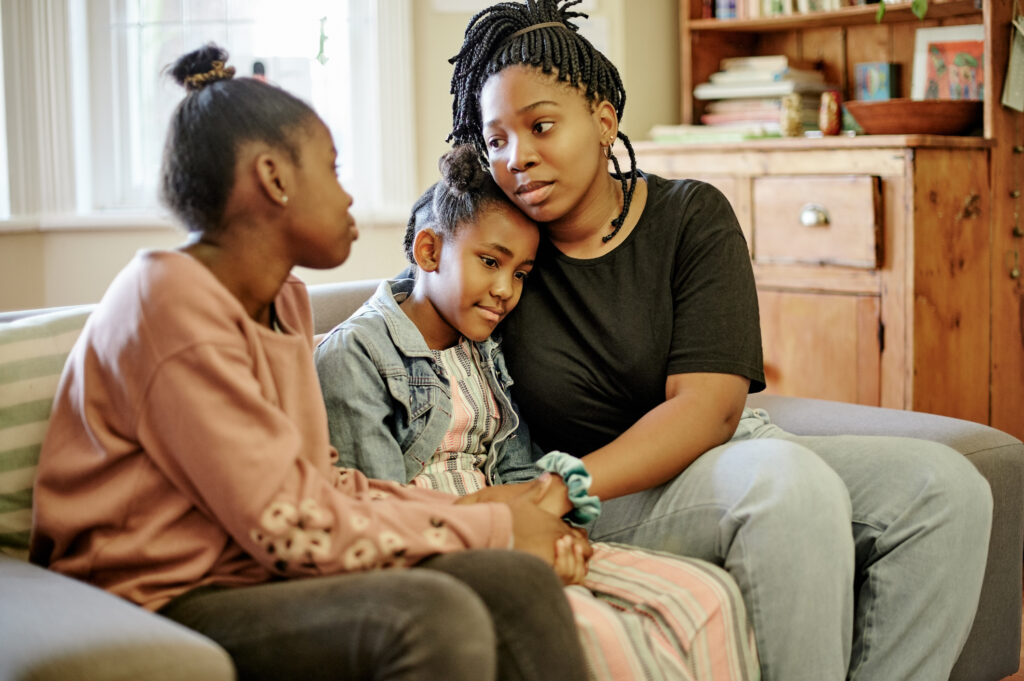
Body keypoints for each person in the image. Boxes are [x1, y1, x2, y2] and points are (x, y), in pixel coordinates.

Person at [444, 2, 995, 681]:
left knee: (949, 491)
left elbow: (710, 410)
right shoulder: (502, 253)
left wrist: (558, 486)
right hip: (605, 494)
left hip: (721, 452)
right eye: (495, 140)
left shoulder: (690, 214)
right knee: (790, 489)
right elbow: (418, 294)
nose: (516, 156)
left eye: (541, 126)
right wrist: (558, 488)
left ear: (604, 120)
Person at [29, 44, 590, 681]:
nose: (350, 198)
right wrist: (489, 525)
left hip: (248, 570)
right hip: (160, 595)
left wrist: (495, 523)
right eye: (334, 168)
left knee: (516, 583)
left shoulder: (284, 304)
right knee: (429, 614)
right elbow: (289, 525)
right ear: (273, 178)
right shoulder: (167, 306)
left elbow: (320, 486)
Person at [314, 143, 760, 681]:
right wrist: (514, 531)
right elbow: (381, 512)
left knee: (703, 596)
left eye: (521, 273)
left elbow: (522, 468)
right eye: (489, 262)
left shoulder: (485, 347)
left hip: (521, 527)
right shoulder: (354, 355)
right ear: (430, 252)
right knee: (602, 635)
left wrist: (560, 530)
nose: (505, 290)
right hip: (445, 550)